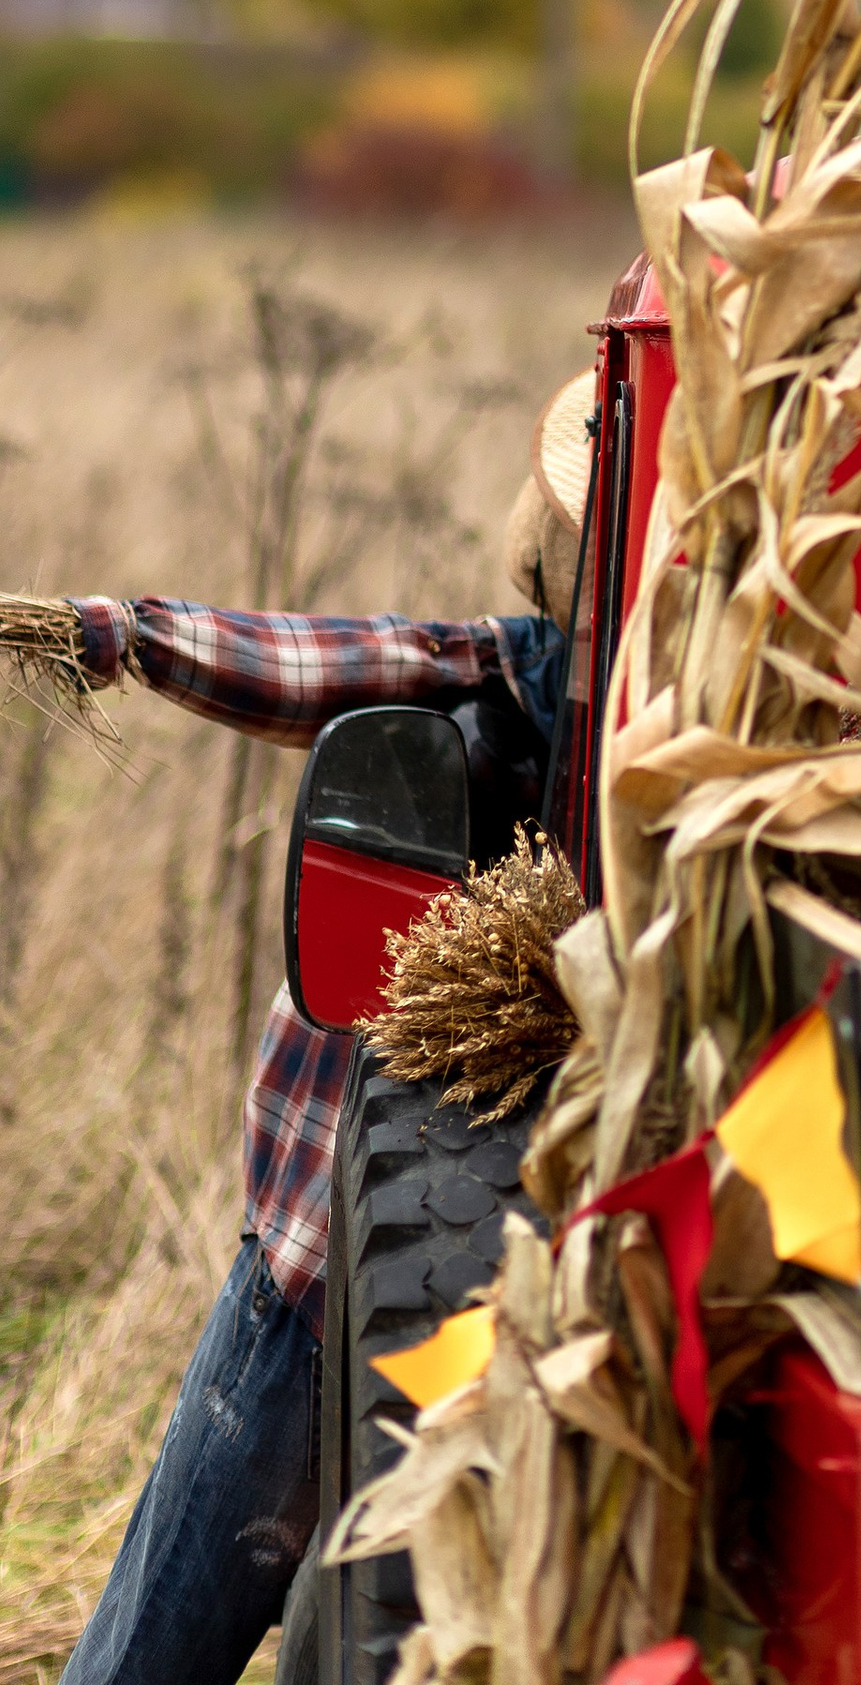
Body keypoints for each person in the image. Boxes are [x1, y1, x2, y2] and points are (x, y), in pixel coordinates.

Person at [51, 384, 586, 1685]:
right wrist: (120, 637)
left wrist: (120, 634)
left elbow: (318, 662)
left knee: (155, 1644)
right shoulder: (510, 682)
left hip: (346, 1266)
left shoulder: (537, 687)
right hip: (356, 1270)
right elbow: (308, 660)